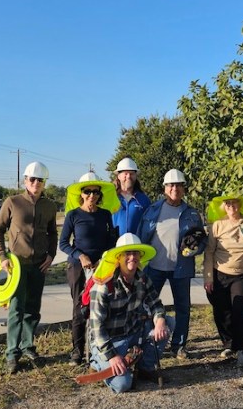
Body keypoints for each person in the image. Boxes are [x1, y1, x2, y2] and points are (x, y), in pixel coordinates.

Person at [0, 161, 58, 374]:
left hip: (39, 265)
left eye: (40, 180)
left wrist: (51, 255)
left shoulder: (49, 206)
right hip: (17, 266)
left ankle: (27, 346)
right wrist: (2, 256)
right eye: (32, 179)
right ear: (25, 180)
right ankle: (12, 353)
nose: (36, 183)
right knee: (16, 309)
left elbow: (52, 233)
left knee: (33, 309)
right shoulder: (12, 202)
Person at [88, 233, 174, 393]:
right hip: (110, 340)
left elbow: (156, 304)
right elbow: (96, 327)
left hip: (134, 333)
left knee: (169, 322)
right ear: (118, 258)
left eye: (135, 253)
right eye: (127, 253)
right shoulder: (104, 285)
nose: (132, 257)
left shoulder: (143, 278)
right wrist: (112, 356)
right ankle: (96, 362)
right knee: (122, 385)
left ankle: (145, 367)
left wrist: (160, 320)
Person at [137, 168, 206, 358]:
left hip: (180, 269)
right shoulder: (152, 210)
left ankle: (179, 345)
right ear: (165, 188)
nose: (174, 188)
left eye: (178, 185)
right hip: (154, 268)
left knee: (182, 308)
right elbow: (142, 236)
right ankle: (146, 342)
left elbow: (202, 240)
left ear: (183, 188)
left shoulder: (192, 214)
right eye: (171, 185)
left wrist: (195, 249)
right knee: (146, 307)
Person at [59, 172, 118, 365]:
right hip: (79, 265)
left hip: (102, 265)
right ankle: (77, 350)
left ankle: (99, 347)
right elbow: (63, 243)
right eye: (87, 191)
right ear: (81, 194)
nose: (92, 195)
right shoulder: (73, 215)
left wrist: (105, 258)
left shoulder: (105, 214)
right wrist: (80, 255)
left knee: (102, 305)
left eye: (95, 192)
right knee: (79, 307)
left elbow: (111, 241)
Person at [203, 193, 243, 368]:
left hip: (242, 274)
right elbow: (209, 253)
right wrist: (208, 277)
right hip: (220, 273)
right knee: (222, 310)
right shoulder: (217, 225)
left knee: (238, 308)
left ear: (240, 204)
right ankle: (229, 344)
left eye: (234, 203)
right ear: (223, 206)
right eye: (227, 203)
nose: (231, 206)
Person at [111, 157, 151, 237]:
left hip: (136, 246)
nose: (128, 176)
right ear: (119, 176)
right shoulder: (111, 198)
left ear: (136, 176)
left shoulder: (144, 200)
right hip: (115, 247)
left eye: (132, 173)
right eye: (125, 173)